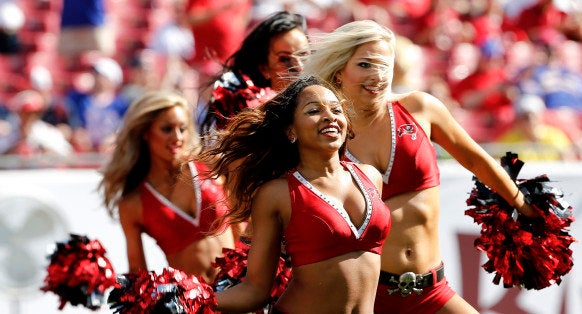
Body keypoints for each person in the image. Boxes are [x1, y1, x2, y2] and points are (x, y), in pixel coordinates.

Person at [301, 20, 536, 314]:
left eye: (385, 65)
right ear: (339, 73)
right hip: (364, 297)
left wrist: (523, 205)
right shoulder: (325, 132)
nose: (377, 75)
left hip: (431, 291)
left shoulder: (420, 108)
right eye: (365, 64)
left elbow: (477, 160)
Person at [202, 76, 391, 312]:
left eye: (336, 110)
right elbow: (254, 291)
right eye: (314, 111)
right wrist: (192, 301)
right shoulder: (277, 193)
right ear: (291, 129)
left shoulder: (370, 176)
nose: (329, 116)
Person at [98, 91, 237, 283]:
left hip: (240, 293)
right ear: (145, 133)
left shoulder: (212, 165)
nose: (177, 137)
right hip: (193, 306)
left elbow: (242, 225)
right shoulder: (134, 202)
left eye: (183, 128)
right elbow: (138, 275)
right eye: (167, 129)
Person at [198, 10, 309, 133]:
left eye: (304, 55)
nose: (299, 67)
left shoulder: (329, 104)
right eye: (284, 59)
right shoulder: (254, 120)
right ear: (264, 68)